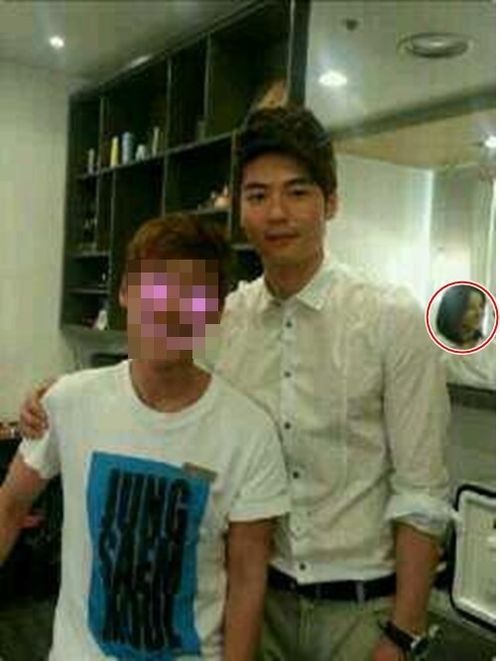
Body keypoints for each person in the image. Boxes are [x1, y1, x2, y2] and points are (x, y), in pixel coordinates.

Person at [20, 107, 451, 661]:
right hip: (251, 602)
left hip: (360, 614)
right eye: (257, 195)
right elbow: (155, 376)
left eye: (297, 192)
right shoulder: (223, 320)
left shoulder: (392, 319)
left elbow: (422, 492)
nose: (277, 213)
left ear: (331, 202)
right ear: (239, 208)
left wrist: (402, 633)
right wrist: (57, 395)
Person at [1, 214, 290, 660]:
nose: (170, 308)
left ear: (215, 310)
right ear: (125, 292)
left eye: (192, 294)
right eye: (156, 287)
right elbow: (9, 506)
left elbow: (247, 582)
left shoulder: (248, 433)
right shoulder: (68, 401)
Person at [436, 284, 496, 389]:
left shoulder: (492, 349)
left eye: (481, 306)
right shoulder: (436, 350)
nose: (479, 313)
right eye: (471, 308)